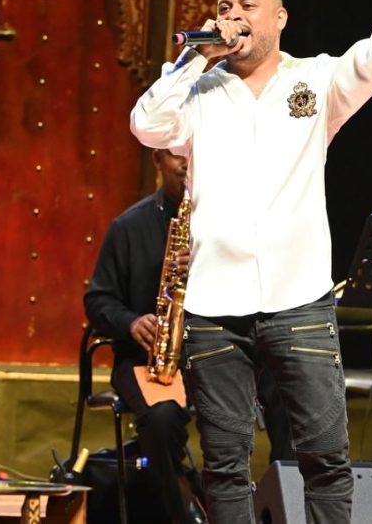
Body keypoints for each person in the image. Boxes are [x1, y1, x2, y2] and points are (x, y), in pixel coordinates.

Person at [129, 0, 372, 521]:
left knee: (325, 459)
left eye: (247, 6)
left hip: (299, 300)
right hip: (215, 305)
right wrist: (196, 56)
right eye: (224, 7)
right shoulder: (198, 92)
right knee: (224, 465)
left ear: (280, 17)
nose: (233, 16)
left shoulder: (316, 80)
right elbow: (147, 125)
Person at [85, 149, 293, 523]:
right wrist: (131, 322)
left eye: (194, 153)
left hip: (222, 352)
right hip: (150, 360)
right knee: (161, 419)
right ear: (157, 160)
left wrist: (214, 264)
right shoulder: (128, 227)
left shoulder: (233, 226)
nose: (187, 163)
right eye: (176, 155)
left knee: (288, 390)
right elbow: (98, 299)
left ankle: (286, 508)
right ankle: (185, 511)